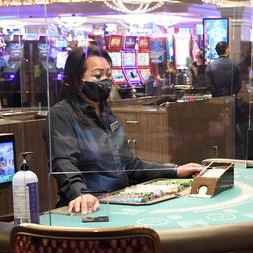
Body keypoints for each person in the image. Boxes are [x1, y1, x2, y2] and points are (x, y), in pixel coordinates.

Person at [46, 46, 202, 214]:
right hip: (88, 206)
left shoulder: (108, 114)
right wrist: (81, 194)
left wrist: (175, 170)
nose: (105, 81)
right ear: (77, 81)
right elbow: (63, 163)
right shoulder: (61, 114)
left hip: (118, 201)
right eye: (98, 76)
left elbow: (131, 166)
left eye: (108, 75)